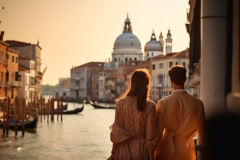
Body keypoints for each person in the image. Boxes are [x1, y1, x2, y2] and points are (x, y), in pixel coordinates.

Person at [154, 65, 206, 160]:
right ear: (185, 79)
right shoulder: (198, 104)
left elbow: (158, 135)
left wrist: (154, 154)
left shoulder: (162, 103)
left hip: (167, 151)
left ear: (171, 81)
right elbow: (203, 134)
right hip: (188, 152)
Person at [107, 68, 159, 160]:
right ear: (147, 84)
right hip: (141, 152)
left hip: (122, 152)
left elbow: (116, 132)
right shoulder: (150, 106)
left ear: (132, 83)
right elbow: (150, 137)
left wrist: (113, 153)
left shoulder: (120, 103)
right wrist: (152, 159)